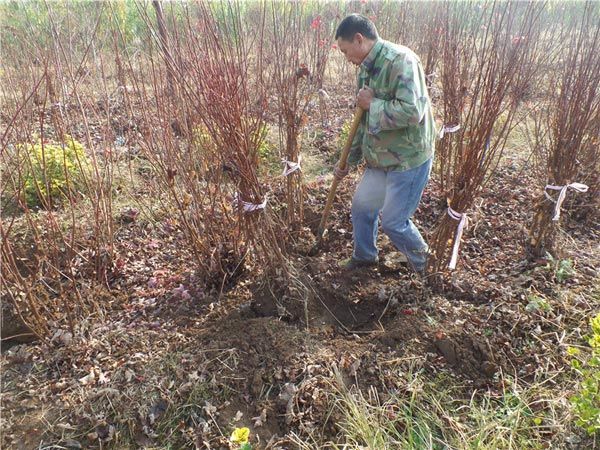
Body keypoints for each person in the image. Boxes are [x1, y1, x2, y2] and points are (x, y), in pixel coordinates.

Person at [333, 14, 436, 273]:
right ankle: (365, 257)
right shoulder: (365, 68)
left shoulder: (402, 61)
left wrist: (374, 104)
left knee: (394, 222)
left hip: (407, 158)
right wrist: (348, 161)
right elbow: (363, 119)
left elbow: (413, 112)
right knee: (361, 209)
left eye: (346, 51)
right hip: (379, 157)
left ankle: (427, 268)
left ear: (359, 39)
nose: (346, 58)